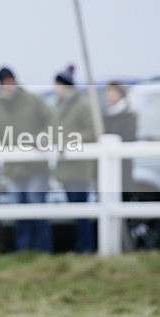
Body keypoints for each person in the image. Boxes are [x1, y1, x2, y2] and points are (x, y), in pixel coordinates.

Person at [0, 67, 53, 252]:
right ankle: (23, 249)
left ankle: (43, 248)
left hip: (35, 167)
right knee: (18, 211)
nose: (9, 84)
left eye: (10, 80)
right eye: (5, 81)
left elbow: (50, 122)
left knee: (37, 208)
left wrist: (42, 138)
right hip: (12, 168)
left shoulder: (33, 101)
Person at [51, 66, 97, 253]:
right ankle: (81, 245)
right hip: (65, 168)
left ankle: (86, 246)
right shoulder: (59, 106)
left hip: (80, 167)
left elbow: (91, 131)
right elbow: (53, 130)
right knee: (74, 209)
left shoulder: (83, 105)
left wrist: (69, 142)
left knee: (81, 209)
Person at [103, 81, 137, 194]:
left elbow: (129, 139)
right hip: (107, 167)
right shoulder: (105, 116)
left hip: (123, 166)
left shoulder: (128, 116)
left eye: (112, 92)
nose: (109, 95)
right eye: (108, 92)